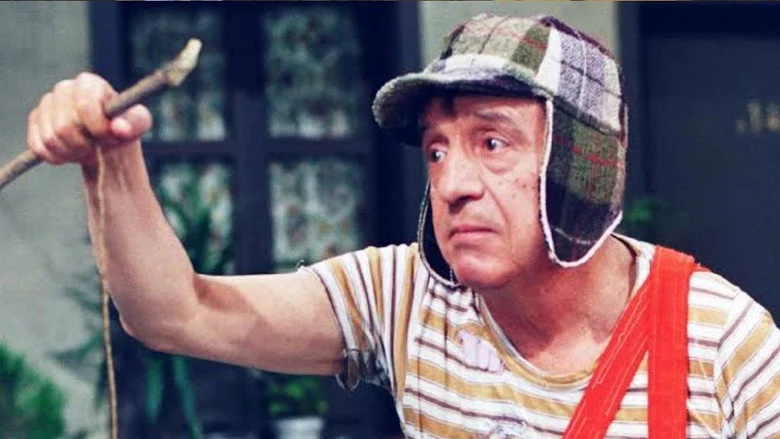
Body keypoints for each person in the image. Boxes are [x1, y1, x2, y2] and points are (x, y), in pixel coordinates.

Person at [26, 13, 779, 439]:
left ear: (581, 165)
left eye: (492, 142)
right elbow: (174, 312)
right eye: (437, 149)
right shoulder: (405, 297)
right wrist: (112, 156)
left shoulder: (722, 341)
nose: (451, 183)